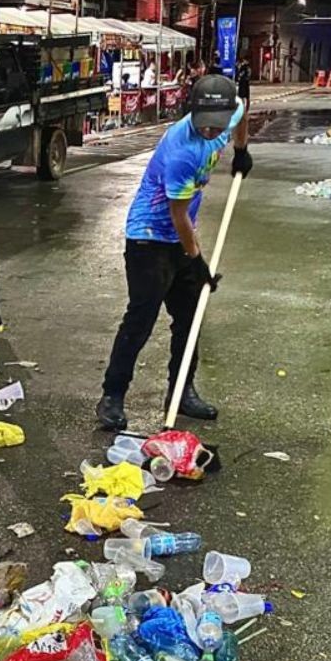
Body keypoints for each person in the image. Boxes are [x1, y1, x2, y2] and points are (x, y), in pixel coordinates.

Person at [96, 74, 250, 432]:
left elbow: (243, 112)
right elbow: (178, 215)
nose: (210, 131)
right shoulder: (182, 151)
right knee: (140, 319)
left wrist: (242, 151)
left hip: (181, 236)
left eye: (217, 125)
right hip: (149, 237)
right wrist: (196, 260)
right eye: (204, 124)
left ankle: (182, 392)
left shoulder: (230, 114)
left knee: (190, 318)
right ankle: (112, 396)